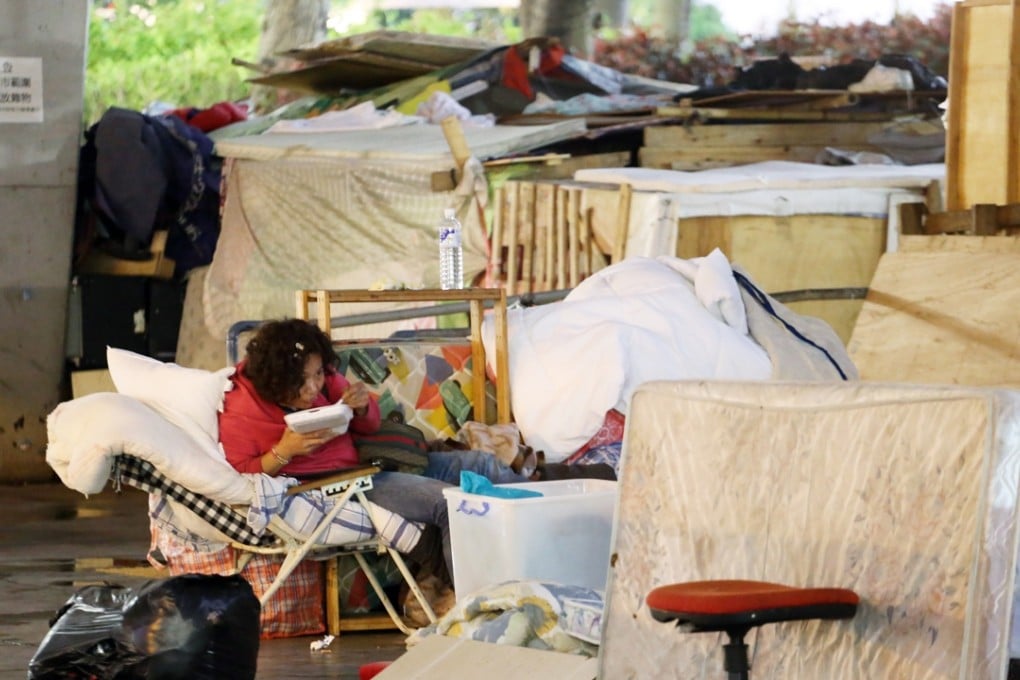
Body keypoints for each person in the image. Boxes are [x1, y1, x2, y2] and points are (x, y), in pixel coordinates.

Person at [217, 318, 533, 592]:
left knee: (482, 463)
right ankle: (480, 602)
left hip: (367, 464)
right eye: (303, 382)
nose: (315, 386)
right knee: (449, 503)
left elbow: (369, 427)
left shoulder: (324, 378)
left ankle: (539, 542)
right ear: (277, 384)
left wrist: (361, 405)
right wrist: (284, 451)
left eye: (318, 374)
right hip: (339, 487)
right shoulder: (240, 411)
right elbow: (243, 475)